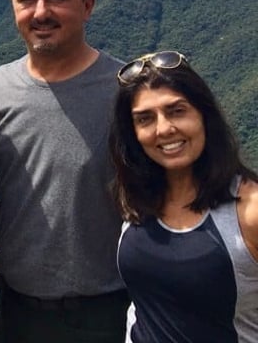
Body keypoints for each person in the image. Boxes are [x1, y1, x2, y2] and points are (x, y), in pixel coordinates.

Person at [0, 0, 129, 343]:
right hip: (15, 307)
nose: (40, 12)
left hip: (107, 309)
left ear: (87, 5)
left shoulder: (127, 91)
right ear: (13, 7)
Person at [109, 50, 258, 342]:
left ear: (204, 115)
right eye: (145, 119)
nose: (164, 129)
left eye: (177, 111)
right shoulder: (138, 199)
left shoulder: (249, 209)